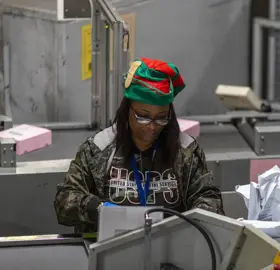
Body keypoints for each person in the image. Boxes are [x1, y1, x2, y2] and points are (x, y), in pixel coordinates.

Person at [54, 58, 224, 233]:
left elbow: (210, 199)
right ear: (127, 110)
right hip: (109, 247)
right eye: (143, 116)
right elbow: (64, 201)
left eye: (161, 117)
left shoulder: (186, 151)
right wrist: (99, 209)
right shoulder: (98, 149)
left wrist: (183, 222)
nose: (152, 126)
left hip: (169, 247)